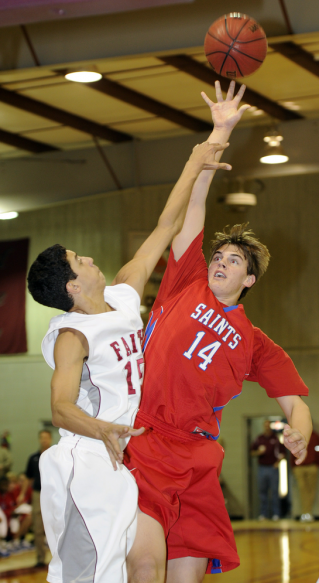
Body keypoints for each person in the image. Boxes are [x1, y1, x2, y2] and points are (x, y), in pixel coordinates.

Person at [124, 81, 312, 583]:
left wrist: (301, 432)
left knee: (184, 579)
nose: (222, 261)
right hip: (146, 439)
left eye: (234, 260)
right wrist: (219, 132)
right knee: (144, 564)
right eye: (220, 256)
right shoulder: (184, 282)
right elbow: (193, 211)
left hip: (199, 454)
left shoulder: (254, 341)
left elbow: (294, 400)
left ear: (248, 280)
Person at [27, 127, 232, 582]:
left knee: (129, 570)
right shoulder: (72, 336)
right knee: (86, 574)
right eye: (79, 261)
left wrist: (194, 162)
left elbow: (167, 224)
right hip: (84, 458)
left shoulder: (122, 296)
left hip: (120, 457)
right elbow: (59, 408)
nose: (89, 259)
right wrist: (103, 428)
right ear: (72, 287)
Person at [18, 430, 52, 568]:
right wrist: (22, 493)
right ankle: (40, 558)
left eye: (46, 438)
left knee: (57, 526)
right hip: (38, 493)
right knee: (38, 527)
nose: (44, 440)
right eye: (41, 438)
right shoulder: (33, 458)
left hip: (53, 493)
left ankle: (60, 558)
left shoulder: (55, 455)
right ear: (39, 439)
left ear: (50, 439)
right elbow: (27, 478)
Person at [250, 420, 285, 521]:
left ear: (270, 426)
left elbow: (282, 453)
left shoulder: (276, 438)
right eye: (265, 425)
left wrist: (277, 463)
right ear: (263, 426)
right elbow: (252, 452)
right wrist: (258, 452)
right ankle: (263, 514)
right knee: (262, 492)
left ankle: (276, 514)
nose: (266, 427)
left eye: (268, 425)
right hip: (262, 468)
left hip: (273, 468)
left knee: (274, 492)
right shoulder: (259, 439)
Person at [291, 428, 319, 522]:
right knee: (302, 490)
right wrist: (293, 466)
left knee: (311, 491)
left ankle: (309, 513)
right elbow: (293, 451)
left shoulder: (315, 436)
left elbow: (318, 450)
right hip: (300, 467)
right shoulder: (297, 436)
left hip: (311, 466)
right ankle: (304, 513)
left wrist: (317, 464)